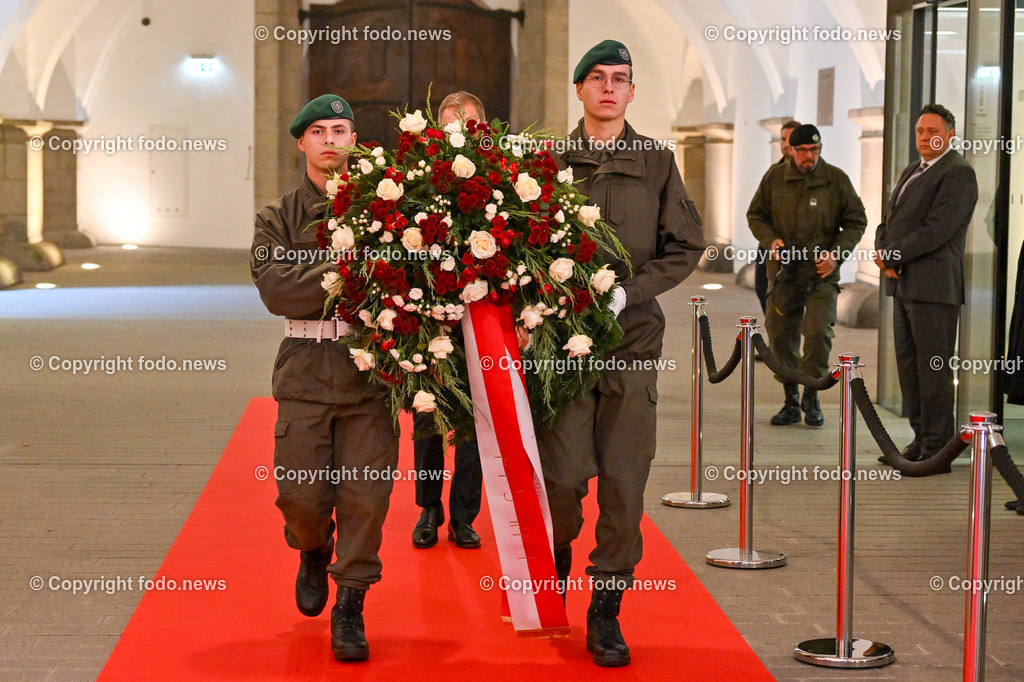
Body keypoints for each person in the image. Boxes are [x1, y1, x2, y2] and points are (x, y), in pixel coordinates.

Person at [536, 40, 705, 668]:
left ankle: (605, 611)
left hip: (631, 342)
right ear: (579, 90)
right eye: (598, 78)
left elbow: (686, 246)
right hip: (562, 347)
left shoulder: (657, 163)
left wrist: (629, 293)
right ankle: (553, 559)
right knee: (561, 477)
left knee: (624, 484)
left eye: (622, 79)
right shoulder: (547, 163)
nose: (610, 87)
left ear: (632, 93)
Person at [251, 94, 399, 662]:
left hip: (374, 373)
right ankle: (313, 550)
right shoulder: (278, 215)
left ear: (354, 140)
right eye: (319, 131)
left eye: (341, 129)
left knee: (367, 500)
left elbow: (407, 276)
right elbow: (276, 290)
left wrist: (312, 272)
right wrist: (350, 265)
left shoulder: (388, 209)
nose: (331, 140)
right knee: (301, 499)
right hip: (306, 371)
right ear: (302, 143)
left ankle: (351, 607)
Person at [875, 104, 978, 469]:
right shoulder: (912, 170)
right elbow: (889, 221)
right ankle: (921, 440)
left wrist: (893, 255)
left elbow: (938, 229)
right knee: (909, 367)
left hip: (934, 288)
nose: (924, 137)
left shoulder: (959, 173)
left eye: (931, 131)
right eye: (919, 131)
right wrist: (883, 250)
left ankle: (939, 450)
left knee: (933, 370)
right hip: (904, 285)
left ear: (949, 134)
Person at [748, 124, 867, 427]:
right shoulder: (775, 178)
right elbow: (756, 215)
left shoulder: (835, 180)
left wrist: (837, 253)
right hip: (786, 273)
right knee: (781, 335)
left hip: (820, 274)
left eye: (814, 150)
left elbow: (856, 221)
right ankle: (789, 399)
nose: (809, 156)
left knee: (817, 333)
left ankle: (812, 396)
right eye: (803, 151)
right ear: (791, 150)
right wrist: (771, 240)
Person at [411, 91, 486, 551]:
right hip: (430, 321)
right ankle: (428, 508)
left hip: (482, 324)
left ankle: (464, 517)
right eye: (452, 120)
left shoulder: (500, 179)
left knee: (477, 424)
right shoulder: (421, 182)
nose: (461, 126)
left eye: (471, 119)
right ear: (437, 128)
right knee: (427, 419)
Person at [754, 120, 801, 314]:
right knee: (762, 287)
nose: (785, 144)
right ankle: (775, 336)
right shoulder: (773, 173)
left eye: (789, 139)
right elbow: (757, 211)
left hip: (799, 245)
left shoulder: (812, 173)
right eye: (782, 138)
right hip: (771, 242)